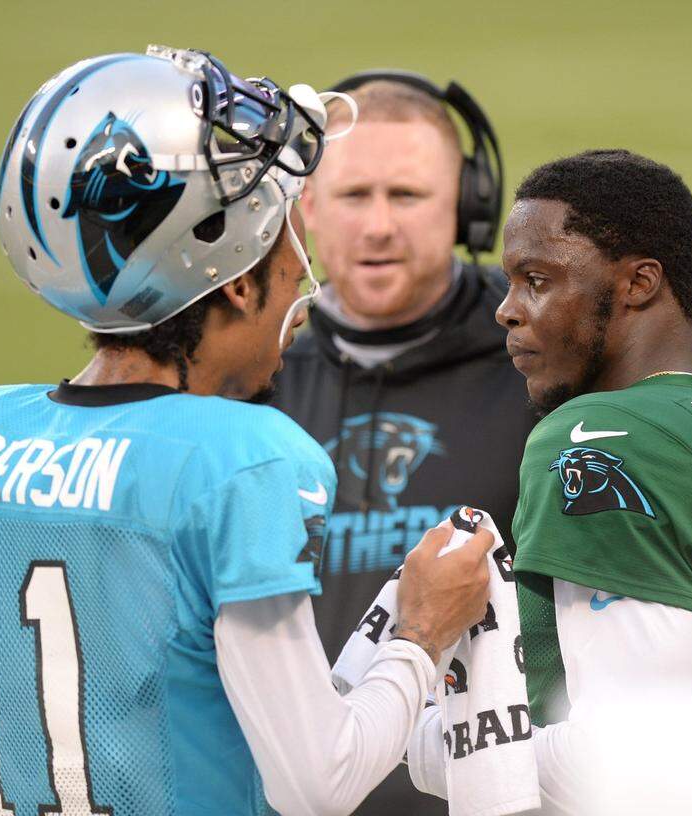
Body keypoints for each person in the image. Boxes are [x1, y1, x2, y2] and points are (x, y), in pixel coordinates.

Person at [0, 46, 495, 816]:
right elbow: (319, 783)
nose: (306, 270)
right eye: (289, 238)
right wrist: (420, 637)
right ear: (236, 278)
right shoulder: (243, 460)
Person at [406, 150, 692, 811]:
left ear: (639, 284)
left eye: (537, 279)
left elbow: (626, 761)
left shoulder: (599, 439)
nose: (506, 310)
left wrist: (414, 733)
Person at [270, 74, 535, 814]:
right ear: (306, 209)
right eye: (354, 196)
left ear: (466, 208)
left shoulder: (543, 360)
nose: (379, 225)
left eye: (407, 195)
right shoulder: (246, 370)